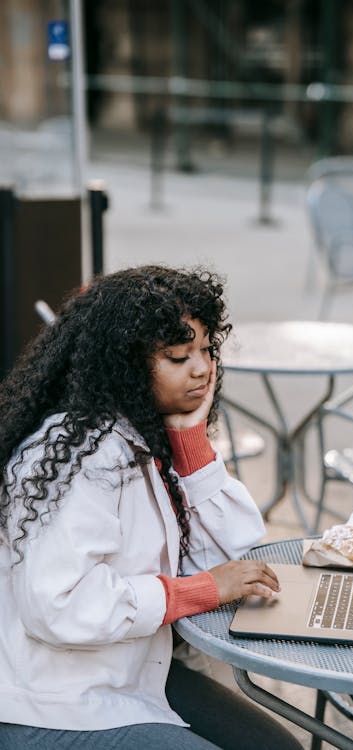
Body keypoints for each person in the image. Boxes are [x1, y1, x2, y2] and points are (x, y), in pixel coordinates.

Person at [0, 265, 302, 750]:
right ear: (124, 364)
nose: (202, 369)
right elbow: (58, 605)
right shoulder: (79, 454)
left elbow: (236, 559)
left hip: (133, 671)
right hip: (57, 698)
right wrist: (197, 591)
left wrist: (191, 445)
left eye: (206, 350)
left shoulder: (146, 436)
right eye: (179, 356)